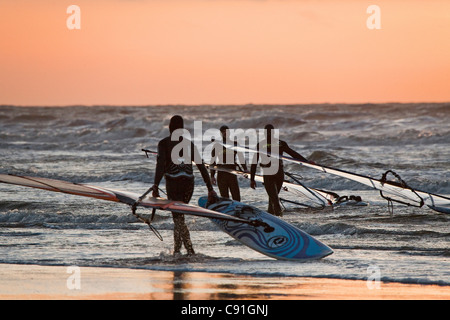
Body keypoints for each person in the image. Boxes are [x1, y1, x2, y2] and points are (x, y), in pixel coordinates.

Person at [150, 115, 218, 256]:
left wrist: (155, 185)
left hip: (174, 184)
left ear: (169, 127)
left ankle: (189, 250)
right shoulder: (189, 144)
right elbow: (201, 166)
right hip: (188, 185)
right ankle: (178, 250)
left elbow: (160, 166)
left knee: (178, 217)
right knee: (178, 217)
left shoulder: (164, 144)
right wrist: (210, 188)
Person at [250, 124, 309, 217]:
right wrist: (306, 161)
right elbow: (293, 154)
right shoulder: (281, 143)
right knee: (273, 198)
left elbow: (254, 163)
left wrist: (252, 179)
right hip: (279, 172)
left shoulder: (261, 144)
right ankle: (271, 219)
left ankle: (279, 222)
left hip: (269, 173)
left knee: (274, 200)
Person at [210, 125, 248, 201]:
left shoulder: (234, 144)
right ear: (221, 133)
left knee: (236, 198)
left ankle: (237, 211)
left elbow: (241, 157)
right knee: (225, 198)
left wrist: (245, 169)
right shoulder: (217, 145)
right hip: (221, 173)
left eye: (226, 131)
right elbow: (213, 162)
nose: (225, 133)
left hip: (232, 172)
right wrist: (212, 176)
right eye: (223, 132)